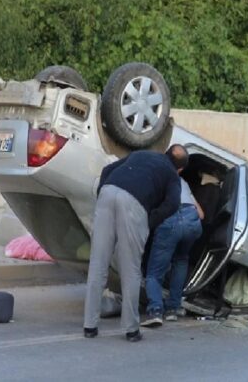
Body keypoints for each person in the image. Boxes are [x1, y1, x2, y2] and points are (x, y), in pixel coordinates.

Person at [83, 145, 189, 342]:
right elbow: (173, 203)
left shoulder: (142, 153)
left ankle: (90, 325)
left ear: (165, 152)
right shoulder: (172, 176)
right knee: (130, 269)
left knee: (98, 264)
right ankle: (131, 329)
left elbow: (107, 170)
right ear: (180, 169)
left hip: (108, 192)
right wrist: (149, 221)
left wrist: (102, 196)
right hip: (134, 204)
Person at [141, 172, 204, 327]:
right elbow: (201, 215)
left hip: (170, 220)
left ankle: (155, 310)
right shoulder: (182, 181)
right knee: (181, 260)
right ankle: (173, 309)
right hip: (192, 220)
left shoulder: (154, 179)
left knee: (154, 273)